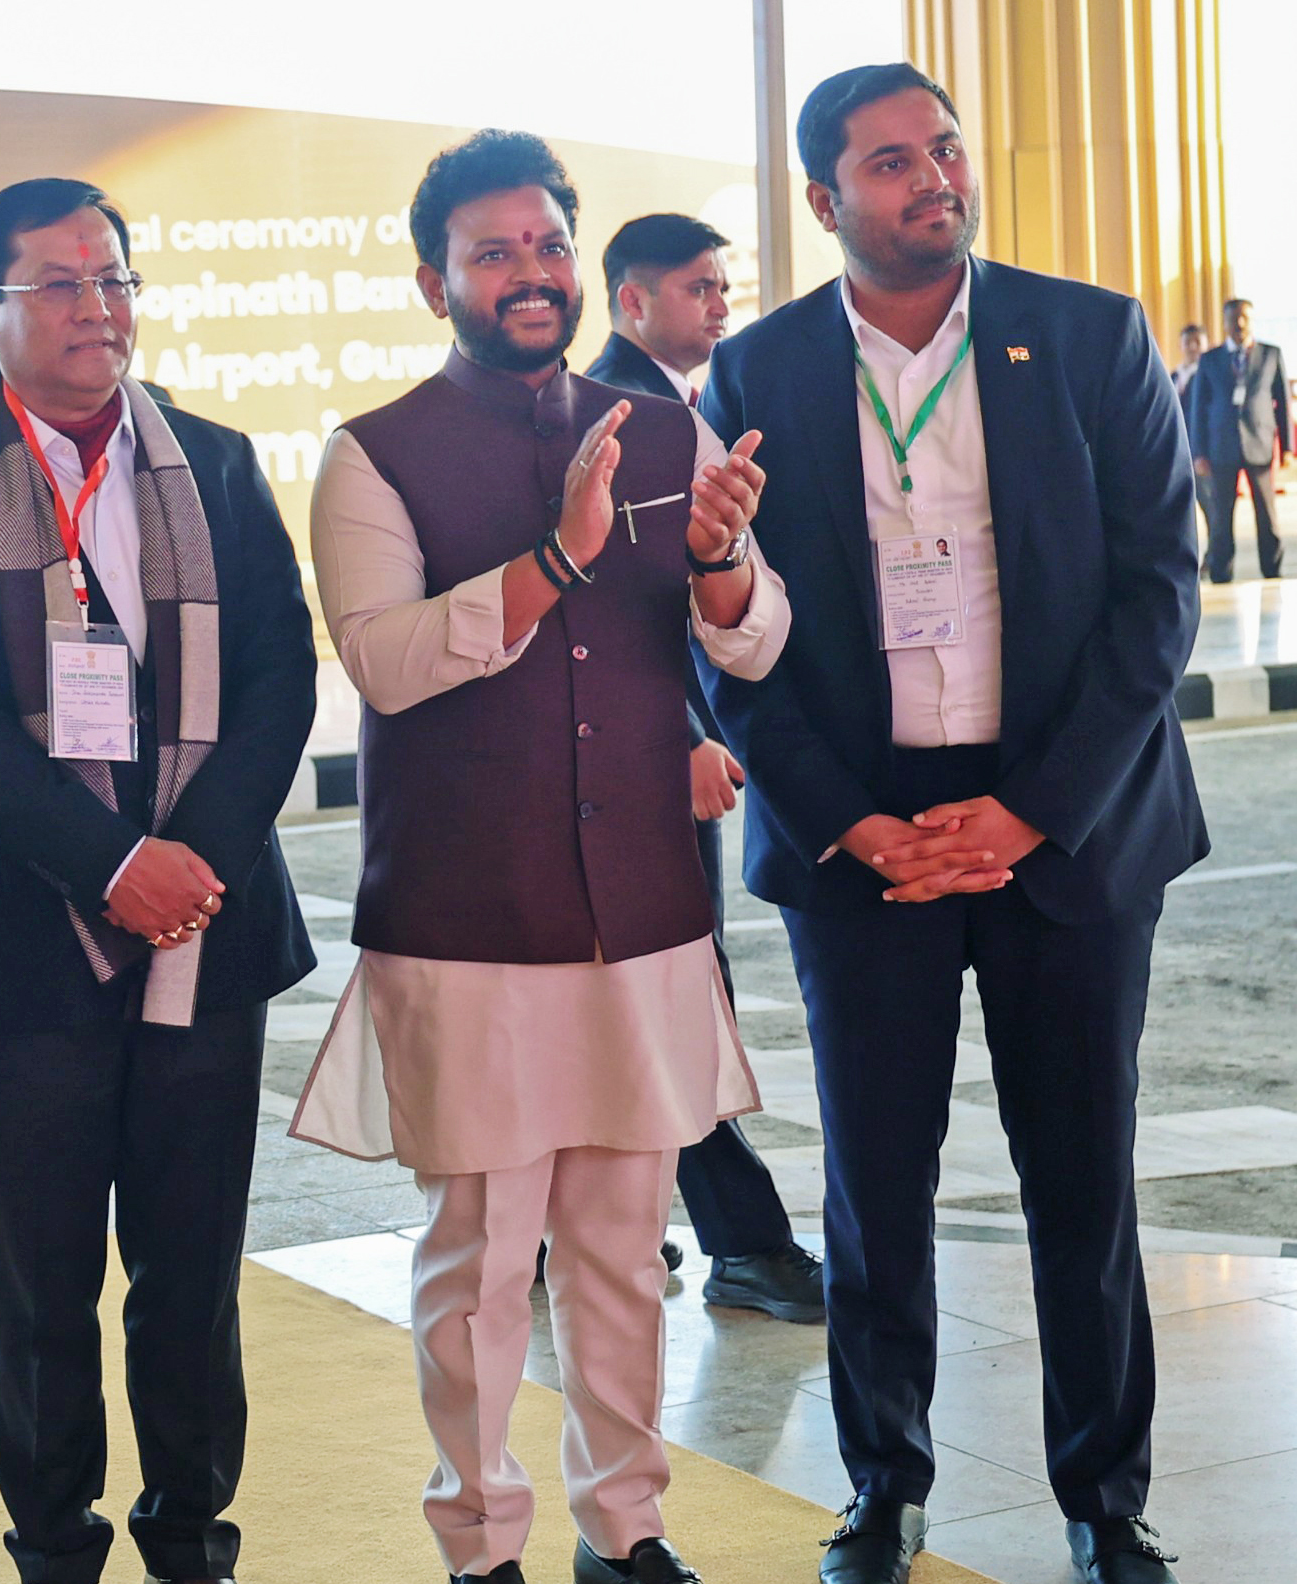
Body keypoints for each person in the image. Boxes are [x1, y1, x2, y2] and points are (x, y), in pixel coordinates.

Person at [702, 63, 1206, 1584]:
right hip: (867, 844)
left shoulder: (1094, 334)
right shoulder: (765, 371)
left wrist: (1030, 811)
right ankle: (884, 1489)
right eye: (890, 161)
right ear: (823, 201)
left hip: (1068, 820)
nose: (934, 176)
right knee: (877, 1182)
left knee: (1081, 1174)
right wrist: (857, 824)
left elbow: (1155, 599)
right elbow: (733, 636)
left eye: (944, 147)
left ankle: (1105, 1498)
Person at [301, 131, 784, 1584]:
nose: (529, 273)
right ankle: (480, 1540)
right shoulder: (371, 452)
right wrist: (557, 558)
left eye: (547, 246)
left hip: (640, 908)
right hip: (466, 919)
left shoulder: (671, 436)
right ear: (434, 275)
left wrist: (720, 563)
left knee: (624, 1251)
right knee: (478, 1261)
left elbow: (752, 640)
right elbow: (385, 664)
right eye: (494, 251)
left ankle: (626, 1529)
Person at [0, 177, 317, 1584]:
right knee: (45, 1284)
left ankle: (193, 1539)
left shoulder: (219, 463)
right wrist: (109, 862)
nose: (95, 311)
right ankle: (53, 1547)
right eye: (58, 285)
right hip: (23, 944)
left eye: (113, 281)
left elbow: (285, 677)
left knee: (191, 1274)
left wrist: (190, 866)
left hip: (207, 934)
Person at [585, 214, 826, 1326]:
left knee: (643, 998)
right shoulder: (618, 422)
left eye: (722, 283)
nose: (719, 303)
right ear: (629, 302)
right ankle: (747, 1241)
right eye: (695, 287)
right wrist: (681, 737)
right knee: (675, 999)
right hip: (638, 767)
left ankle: (566, 1228)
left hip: (659, 752)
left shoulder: (671, 412)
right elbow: (618, 617)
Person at [1184, 297, 1285, 581]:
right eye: (1233, 319)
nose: (1239, 324)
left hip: (1260, 446)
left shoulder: (1271, 354)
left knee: (1267, 514)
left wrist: (1286, 448)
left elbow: (1282, 402)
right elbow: (1198, 408)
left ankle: (1272, 569)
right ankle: (1221, 570)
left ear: (1251, 320)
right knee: (1220, 516)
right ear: (1225, 322)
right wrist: (1198, 452)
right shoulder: (1210, 359)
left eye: (1244, 318)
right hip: (1220, 449)